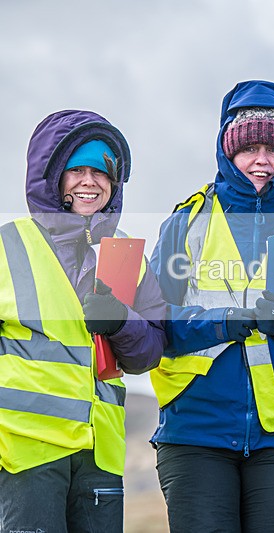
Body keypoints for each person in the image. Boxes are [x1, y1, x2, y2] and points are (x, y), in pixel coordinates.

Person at [149, 80, 274, 533]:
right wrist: (221, 323)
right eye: (248, 148)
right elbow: (152, 328)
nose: (261, 161)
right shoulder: (185, 222)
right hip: (194, 431)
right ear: (226, 150)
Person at [0, 110, 166, 532]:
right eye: (76, 170)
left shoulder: (127, 255)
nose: (90, 181)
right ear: (51, 175)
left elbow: (151, 350)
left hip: (101, 459)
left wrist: (120, 323)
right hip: (25, 457)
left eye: (102, 172)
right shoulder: (8, 245)